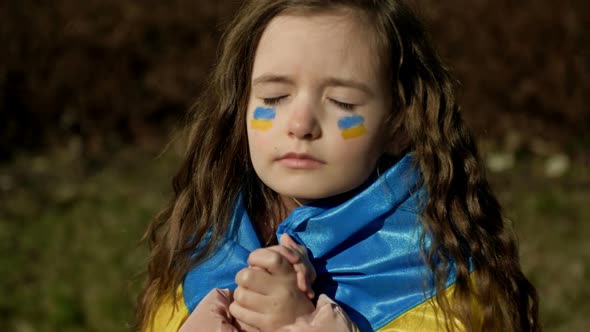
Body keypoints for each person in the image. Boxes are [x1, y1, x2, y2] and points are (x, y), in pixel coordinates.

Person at [134, 0, 540, 331]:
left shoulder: (440, 282)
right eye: (274, 98)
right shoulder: (206, 244)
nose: (300, 125)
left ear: (399, 124)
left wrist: (301, 325)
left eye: (343, 103)